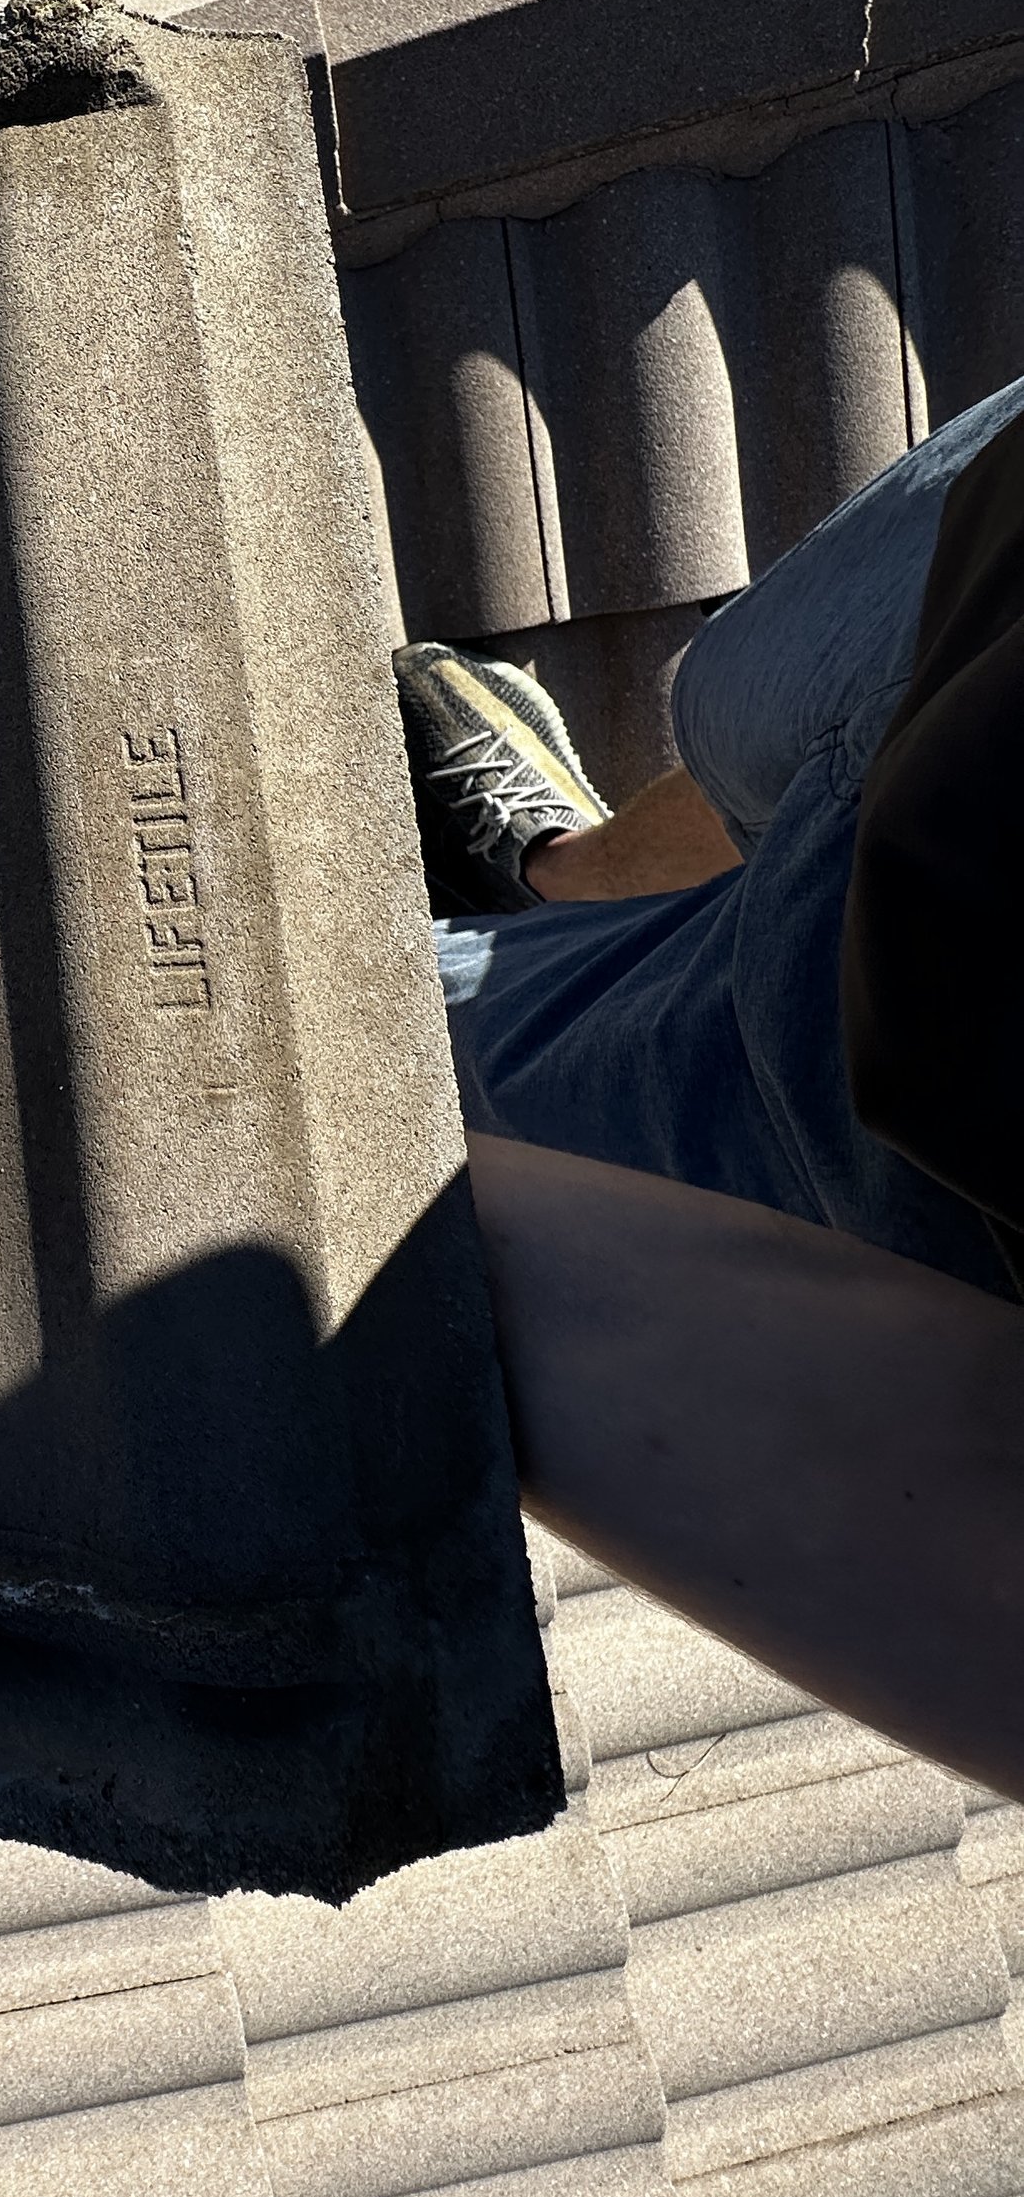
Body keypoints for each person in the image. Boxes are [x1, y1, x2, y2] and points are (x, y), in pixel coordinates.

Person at [391, 382, 1024, 1795]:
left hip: (930, 1087)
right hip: (981, 630)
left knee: (390, 1109)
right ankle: (551, 877)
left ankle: (511, 928)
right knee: (738, 709)